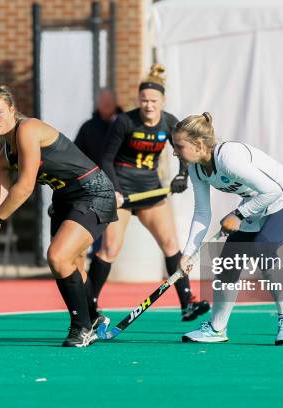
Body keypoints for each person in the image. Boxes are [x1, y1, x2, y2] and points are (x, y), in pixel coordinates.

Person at [0, 86, 117, 347]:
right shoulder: (3, 159)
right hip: (64, 199)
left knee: (58, 256)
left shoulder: (28, 129)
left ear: (12, 110)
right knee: (71, 263)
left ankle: (81, 327)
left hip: (92, 191)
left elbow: (26, 186)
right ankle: (95, 319)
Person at [173, 112, 283, 345]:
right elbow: (202, 212)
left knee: (263, 248)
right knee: (228, 263)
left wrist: (239, 214)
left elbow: (273, 191)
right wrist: (188, 253)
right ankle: (216, 329)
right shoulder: (196, 169)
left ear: (199, 145)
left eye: (179, 146)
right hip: (257, 205)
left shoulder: (228, 158)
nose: (174, 152)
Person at [89, 64, 210, 323]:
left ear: (162, 101)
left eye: (154, 101)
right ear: (138, 100)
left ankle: (187, 303)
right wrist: (116, 191)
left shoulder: (169, 121)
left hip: (151, 191)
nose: (148, 105)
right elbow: (106, 159)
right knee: (110, 248)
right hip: (122, 193)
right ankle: (89, 306)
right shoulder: (124, 122)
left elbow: (183, 150)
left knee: (171, 246)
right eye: (144, 100)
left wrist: (182, 175)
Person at [73, 88, 123, 257]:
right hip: (96, 185)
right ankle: (94, 257)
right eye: (103, 102)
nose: (107, 105)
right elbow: (77, 154)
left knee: (114, 236)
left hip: (122, 183)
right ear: (97, 104)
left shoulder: (124, 123)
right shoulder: (89, 128)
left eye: (109, 101)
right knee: (97, 225)